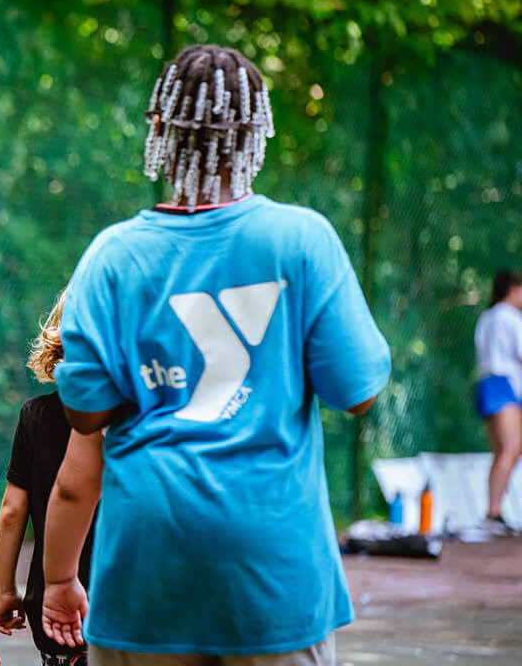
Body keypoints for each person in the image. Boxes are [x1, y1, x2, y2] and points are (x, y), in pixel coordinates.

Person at [42, 44, 391, 665]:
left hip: (146, 569)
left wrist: (61, 574)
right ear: (257, 135)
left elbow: (86, 416)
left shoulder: (112, 255)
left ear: (160, 132)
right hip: (275, 572)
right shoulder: (302, 239)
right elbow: (357, 391)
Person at [0, 289, 95, 666]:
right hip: (122, 605)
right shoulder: (132, 418)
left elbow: (11, 512)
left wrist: (6, 590)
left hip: (50, 610)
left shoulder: (35, 415)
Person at [473, 270, 522, 536]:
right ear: (513, 289)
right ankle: (493, 513)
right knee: (511, 450)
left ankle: (494, 511)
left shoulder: (487, 317)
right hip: (505, 385)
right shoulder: (511, 317)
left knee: (501, 451)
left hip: (485, 383)